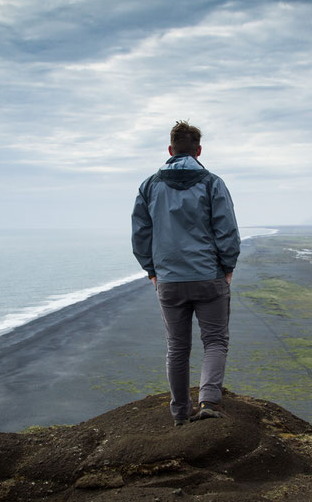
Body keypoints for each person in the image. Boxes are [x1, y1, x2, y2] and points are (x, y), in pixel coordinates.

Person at [131, 121, 241, 427]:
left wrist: (151, 271)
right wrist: (227, 267)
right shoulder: (212, 183)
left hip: (168, 281)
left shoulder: (150, 186)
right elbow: (227, 230)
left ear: (170, 150)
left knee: (177, 347)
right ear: (199, 151)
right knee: (215, 341)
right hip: (209, 277)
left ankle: (180, 414)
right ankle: (208, 401)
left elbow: (140, 234)